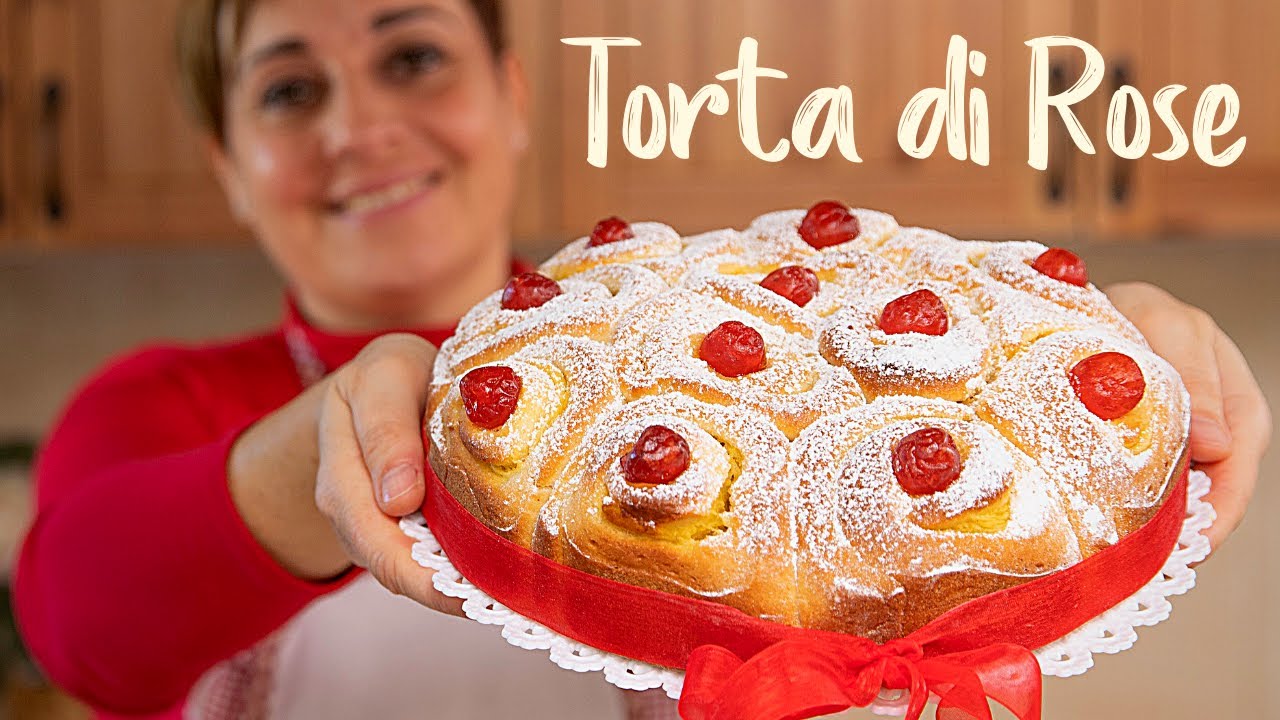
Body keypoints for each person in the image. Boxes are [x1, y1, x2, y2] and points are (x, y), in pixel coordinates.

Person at [11, 0, 1272, 718]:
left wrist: (1080, 359)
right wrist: (326, 447)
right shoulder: (162, 402)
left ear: (509, 94)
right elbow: (81, 632)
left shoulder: (723, 416)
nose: (362, 127)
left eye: (412, 57)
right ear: (229, 163)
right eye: (287, 91)